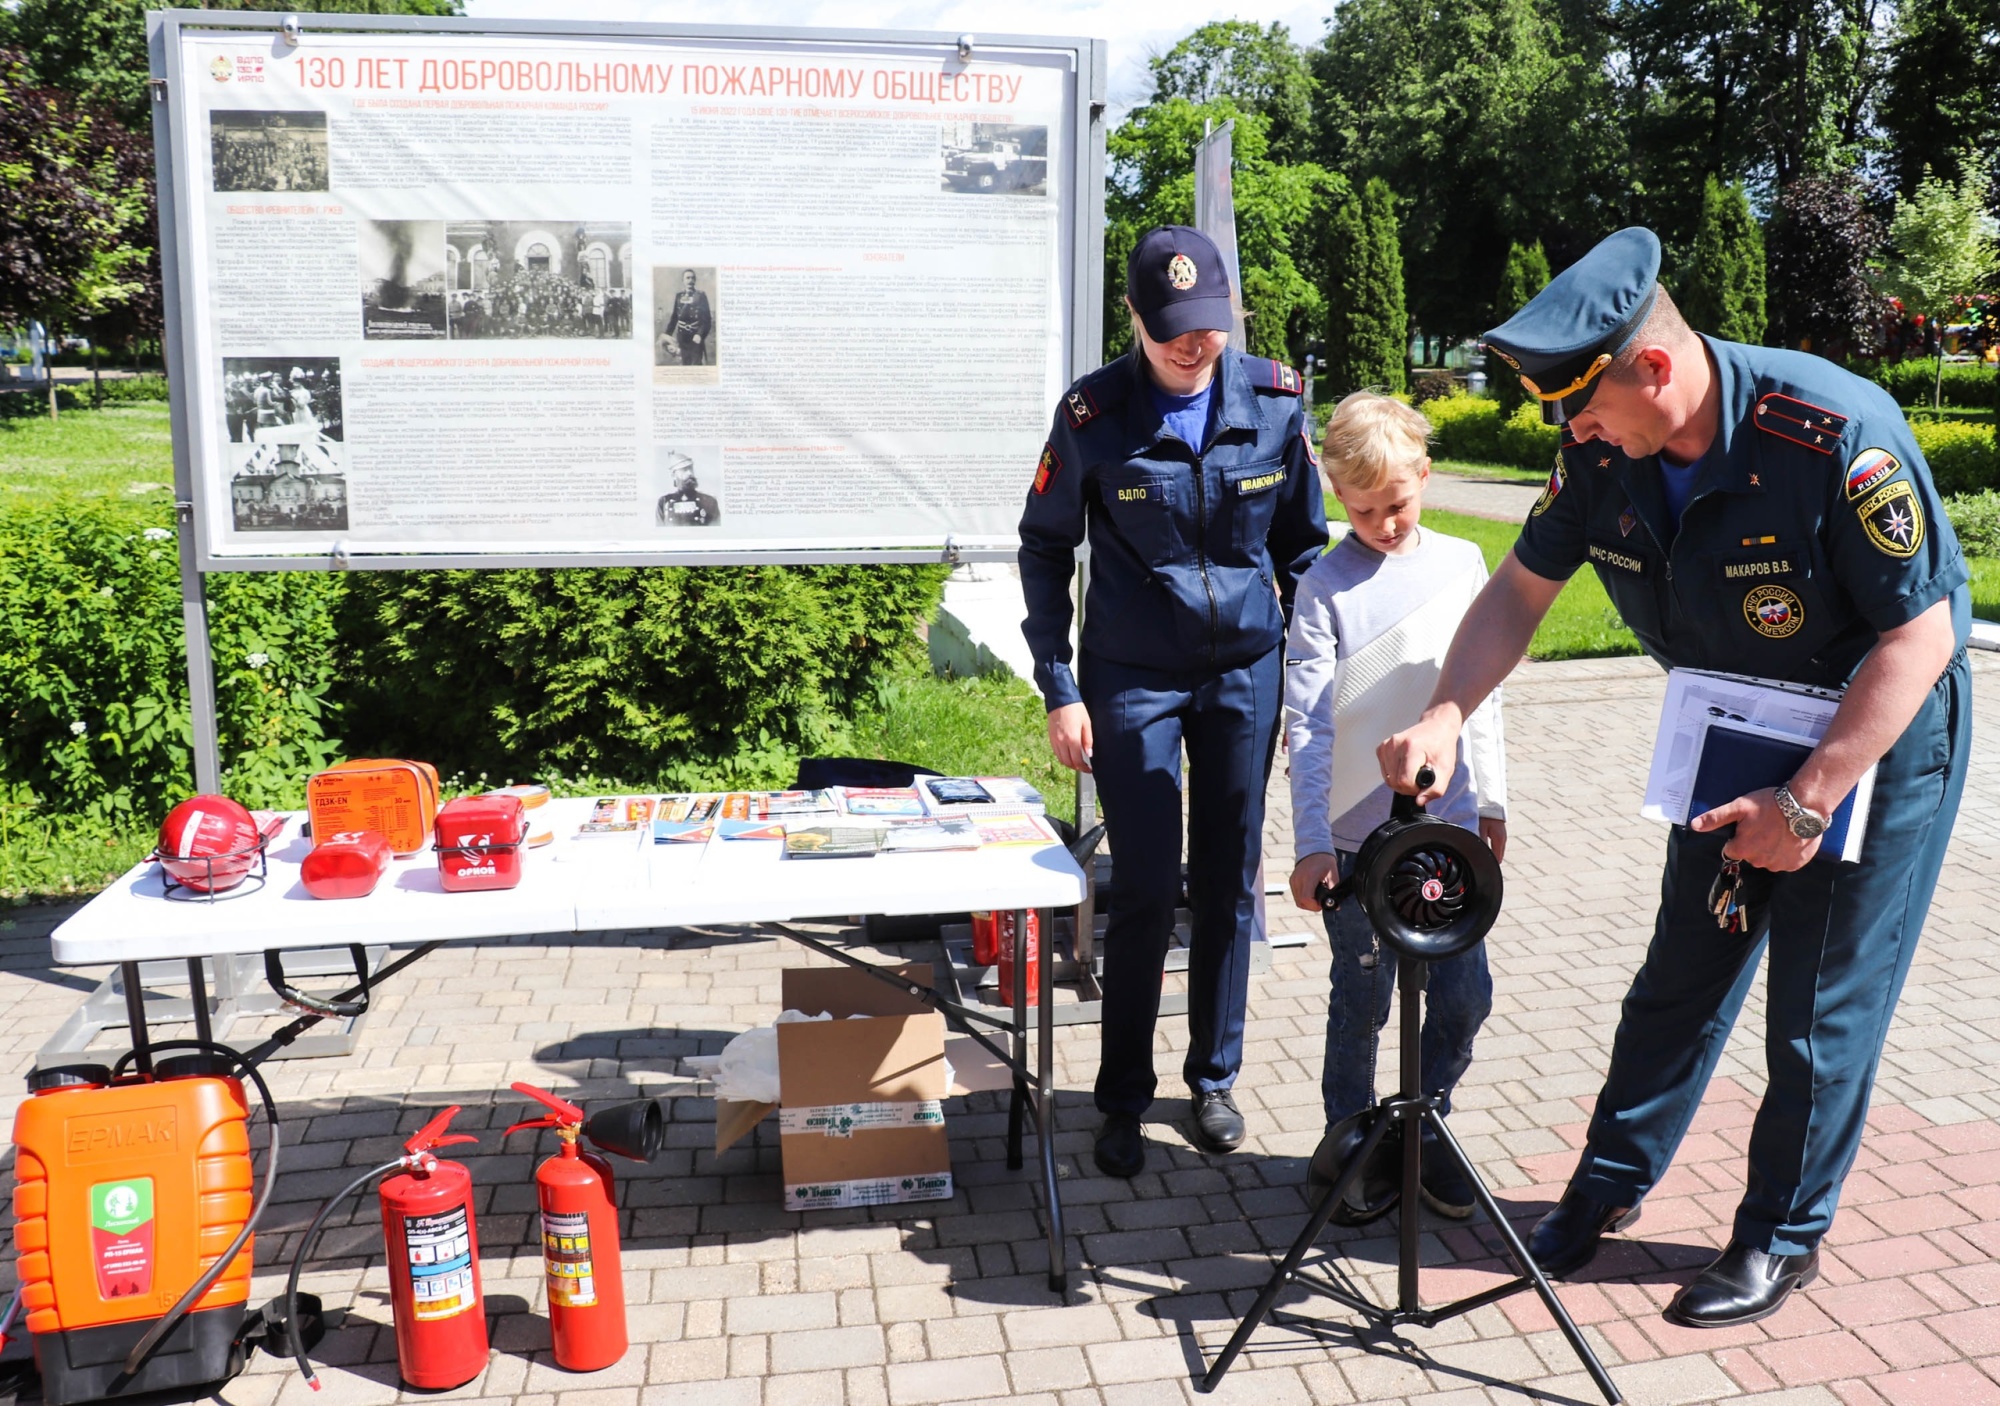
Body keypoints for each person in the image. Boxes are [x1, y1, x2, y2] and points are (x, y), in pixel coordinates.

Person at [1379, 227, 1970, 1328]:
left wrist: (1806, 802)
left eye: (1582, 402)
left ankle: (1777, 1235)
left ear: (1651, 367)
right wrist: (1446, 710)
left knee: (1814, 1009)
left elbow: (1919, 639)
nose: (1569, 427)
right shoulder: (1604, 454)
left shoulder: (1835, 435)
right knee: (1678, 972)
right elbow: (1516, 591)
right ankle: (1604, 1182)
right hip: (1734, 731)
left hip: (1866, 741)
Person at [1019, 225, 1328, 1178]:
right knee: (1148, 887)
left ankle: (1214, 1079)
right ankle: (1121, 1095)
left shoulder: (1275, 401)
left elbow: (1304, 546)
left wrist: (1311, 678)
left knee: (1232, 877)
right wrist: (1061, 686)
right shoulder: (1093, 416)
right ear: (1135, 323)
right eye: (1171, 337)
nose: (1193, 351)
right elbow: (1042, 547)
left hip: (1243, 670)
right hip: (1132, 676)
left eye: (1208, 330)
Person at [1284, 392, 1506, 1224]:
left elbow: (1482, 698)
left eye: (1398, 504)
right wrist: (1311, 844)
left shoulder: (1462, 565)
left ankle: (1425, 1125)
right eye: (1364, 509)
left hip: (1446, 835)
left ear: (1426, 472)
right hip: (1352, 837)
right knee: (1364, 993)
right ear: (1338, 496)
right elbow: (1305, 726)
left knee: (1464, 994)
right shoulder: (1323, 588)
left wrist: (1496, 799)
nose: (1383, 523)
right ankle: (1353, 1138)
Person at [671, 270, 713, 366]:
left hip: (695, 338)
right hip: (682, 338)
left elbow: (707, 320)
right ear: (683, 280)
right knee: (685, 364)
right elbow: (674, 318)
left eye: (692, 278)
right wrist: (666, 336)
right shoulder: (679, 296)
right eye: (687, 278)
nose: (690, 280)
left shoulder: (701, 296)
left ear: (695, 280)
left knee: (696, 366)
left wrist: (700, 334)